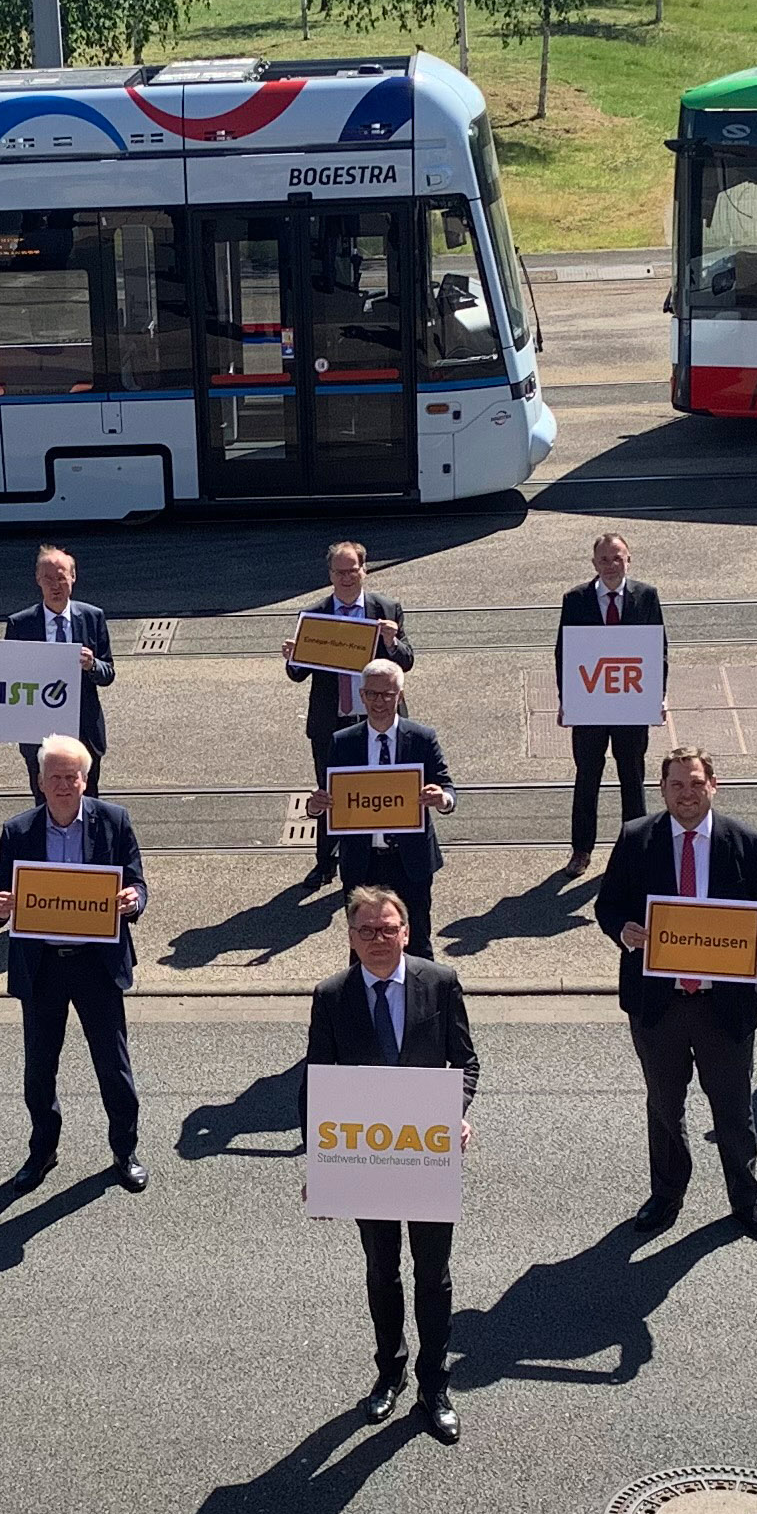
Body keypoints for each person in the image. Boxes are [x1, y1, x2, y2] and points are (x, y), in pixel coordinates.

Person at [593, 748, 757, 1242]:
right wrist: (624, 930)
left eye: (696, 783)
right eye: (678, 785)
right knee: (664, 1107)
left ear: (713, 785)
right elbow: (608, 905)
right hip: (658, 1005)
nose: (687, 793)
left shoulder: (744, 839)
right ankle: (666, 1196)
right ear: (663, 788)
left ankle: (747, 1199)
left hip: (724, 1005)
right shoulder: (637, 838)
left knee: (733, 1109)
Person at [304, 888, 480, 1443]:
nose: (377, 941)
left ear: (406, 931)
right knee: (383, 1271)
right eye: (366, 932)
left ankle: (435, 1384)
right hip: (367, 1162)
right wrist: (320, 1164)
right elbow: (317, 1081)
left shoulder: (441, 982)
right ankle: (390, 1371)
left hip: (426, 1157)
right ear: (350, 937)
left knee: (434, 1276)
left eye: (387, 930)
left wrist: (455, 1113)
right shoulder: (331, 995)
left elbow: (466, 1061)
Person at [0, 736, 151, 1190]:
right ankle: (42, 1151)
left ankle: (124, 1149)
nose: (62, 785)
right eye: (53, 777)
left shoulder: (115, 821)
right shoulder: (18, 831)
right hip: (43, 967)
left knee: (113, 1067)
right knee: (39, 1069)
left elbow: (136, 882)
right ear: (39, 781)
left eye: (70, 777)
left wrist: (133, 901)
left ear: (85, 779)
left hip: (97, 964)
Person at [300, 658, 456, 946]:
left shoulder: (422, 738)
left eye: (387, 694)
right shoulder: (343, 741)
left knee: (417, 942)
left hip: (410, 861)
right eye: (371, 694)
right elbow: (329, 795)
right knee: (364, 946)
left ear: (401, 695)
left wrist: (442, 799)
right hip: (363, 863)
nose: (379, 702)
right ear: (361, 696)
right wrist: (314, 807)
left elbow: (448, 787)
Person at [290, 541, 413, 878]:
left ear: (365, 569)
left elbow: (407, 662)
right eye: (339, 572)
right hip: (332, 719)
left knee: (384, 789)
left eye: (352, 570)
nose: (346, 577)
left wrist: (392, 643)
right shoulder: (313, 615)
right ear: (330, 575)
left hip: (378, 719)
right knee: (329, 792)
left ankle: (386, 853)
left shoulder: (387, 608)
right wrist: (293, 656)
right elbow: (297, 674)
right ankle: (325, 863)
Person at [556, 533, 663, 873]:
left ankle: (636, 849)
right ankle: (581, 851)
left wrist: (658, 696)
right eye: (604, 559)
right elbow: (564, 653)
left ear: (629, 560)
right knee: (587, 777)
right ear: (594, 564)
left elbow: (658, 649)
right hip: (590, 705)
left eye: (617, 558)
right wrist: (566, 700)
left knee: (632, 776)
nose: (611, 565)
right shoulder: (575, 599)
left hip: (631, 703)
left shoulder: (646, 596)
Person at [4, 544, 117, 792]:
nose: (55, 586)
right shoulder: (20, 624)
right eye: (48, 579)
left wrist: (92, 665)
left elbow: (108, 673)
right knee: (45, 805)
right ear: (37, 580)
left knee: (87, 802)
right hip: (38, 733)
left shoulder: (92, 617)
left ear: (73, 577)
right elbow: (8, 678)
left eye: (61, 578)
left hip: (83, 730)